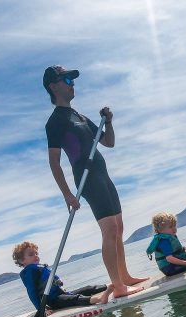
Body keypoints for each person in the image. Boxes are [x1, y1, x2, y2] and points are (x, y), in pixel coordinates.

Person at [42, 65, 147, 298]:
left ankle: (125, 277)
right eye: (66, 79)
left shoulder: (79, 116)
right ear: (53, 86)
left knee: (119, 227)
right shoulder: (55, 121)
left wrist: (108, 122)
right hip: (87, 178)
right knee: (109, 229)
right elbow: (54, 162)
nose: (72, 83)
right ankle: (118, 286)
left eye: (72, 79)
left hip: (103, 174)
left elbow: (108, 143)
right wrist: (67, 194)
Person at [12, 241, 113, 310]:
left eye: (36, 253)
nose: (36, 256)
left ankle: (110, 286)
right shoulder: (30, 272)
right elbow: (32, 293)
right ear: (22, 260)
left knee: (87, 288)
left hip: (62, 294)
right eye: (31, 254)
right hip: (54, 300)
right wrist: (41, 310)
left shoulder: (38, 267)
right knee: (75, 299)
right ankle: (100, 299)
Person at [145, 212, 186, 276]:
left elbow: (175, 252)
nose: (174, 228)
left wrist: (185, 252)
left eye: (174, 225)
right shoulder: (164, 241)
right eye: (171, 227)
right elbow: (169, 258)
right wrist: (185, 263)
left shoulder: (168, 237)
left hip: (173, 264)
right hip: (170, 268)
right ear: (160, 230)